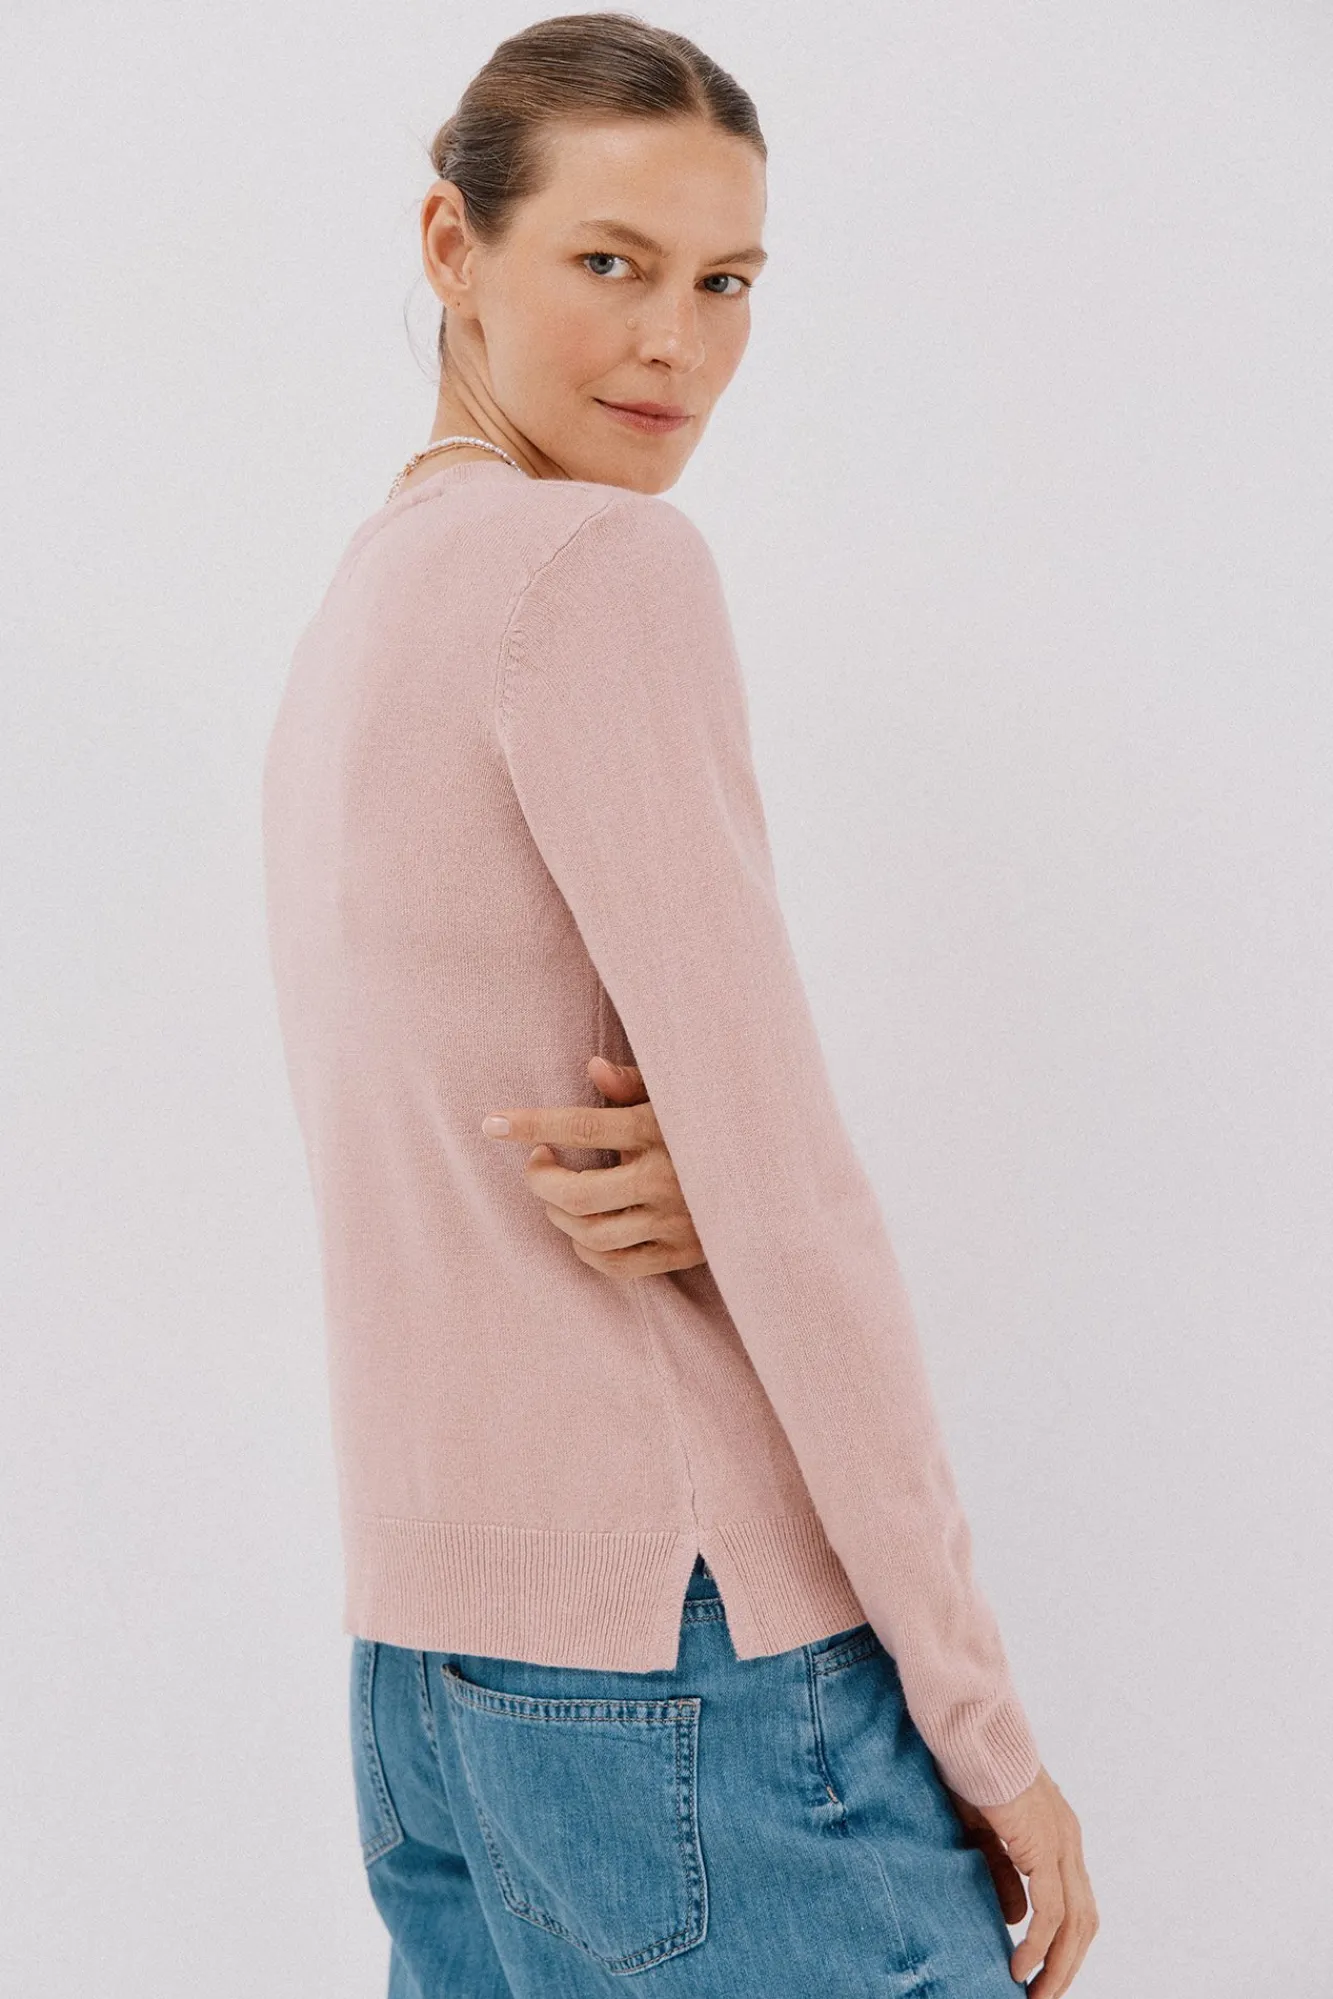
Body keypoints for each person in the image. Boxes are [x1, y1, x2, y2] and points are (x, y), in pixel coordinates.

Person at [260, 14, 1099, 1996]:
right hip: (687, 1659)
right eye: (611, 263)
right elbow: (789, 1195)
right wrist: (982, 1725)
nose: (678, 346)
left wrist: (711, 1178)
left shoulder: (365, 604)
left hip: (432, 1680)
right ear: (453, 247)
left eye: (726, 283)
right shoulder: (598, 568)